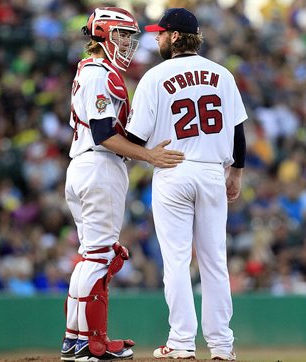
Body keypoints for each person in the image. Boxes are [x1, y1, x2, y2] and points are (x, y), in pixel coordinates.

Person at [61, 7, 185, 362]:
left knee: (90, 256)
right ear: (102, 34)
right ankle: (90, 342)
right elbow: (103, 134)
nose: (128, 43)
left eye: (130, 37)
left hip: (85, 167)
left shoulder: (90, 70)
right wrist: (149, 156)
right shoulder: (100, 74)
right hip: (99, 166)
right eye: (123, 35)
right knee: (100, 257)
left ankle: (75, 338)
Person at [126, 7, 247, 361]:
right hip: (212, 172)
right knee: (214, 262)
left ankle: (181, 343)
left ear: (175, 36)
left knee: (177, 261)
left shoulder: (155, 76)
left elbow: (134, 136)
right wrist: (236, 172)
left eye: (161, 33)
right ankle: (222, 347)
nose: (157, 38)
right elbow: (238, 129)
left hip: (173, 169)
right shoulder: (221, 74)